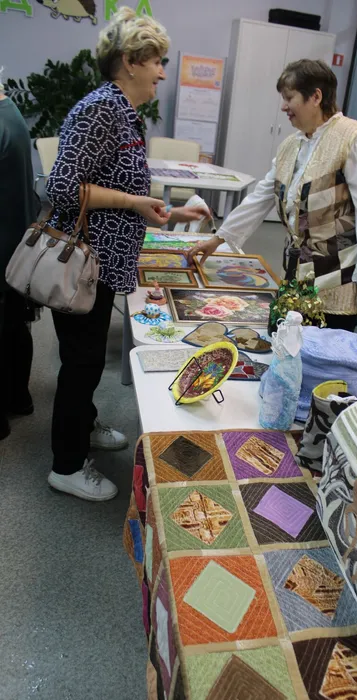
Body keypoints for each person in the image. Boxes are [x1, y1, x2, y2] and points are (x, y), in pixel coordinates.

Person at [45, 8, 209, 502]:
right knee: (81, 361)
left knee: (89, 357)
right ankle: (66, 465)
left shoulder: (122, 111)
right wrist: (134, 202)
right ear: (131, 62)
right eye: (156, 61)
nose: (162, 72)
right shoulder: (101, 109)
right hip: (82, 265)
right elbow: (62, 188)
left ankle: (84, 424)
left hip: (102, 262)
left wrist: (166, 213)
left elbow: (119, 191)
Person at [188, 59, 357, 329]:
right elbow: (261, 197)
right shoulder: (292, 144)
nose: (283, 106)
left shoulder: (356, 141)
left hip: (337, 282)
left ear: (316, 97)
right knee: (281, 342)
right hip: (296, 276)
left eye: (289, 97)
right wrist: (219, 238)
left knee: (317, 352)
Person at [0, 67, 39, 441]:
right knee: (13, 324)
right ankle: (18, 396)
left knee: (7, 326)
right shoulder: (9, 111)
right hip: (15, 245)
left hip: (5, 245)